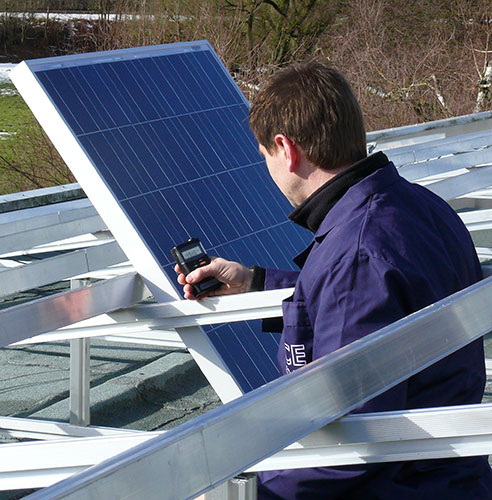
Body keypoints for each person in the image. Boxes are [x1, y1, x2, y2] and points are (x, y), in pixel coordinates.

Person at [175, 61, 492, 499]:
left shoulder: (356, 249)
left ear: (286, 149)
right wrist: (255, 283)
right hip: (451, 478)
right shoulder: (416, 206)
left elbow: (347, 440)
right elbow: (371, 301)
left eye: (265, 156)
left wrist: (260, 493)